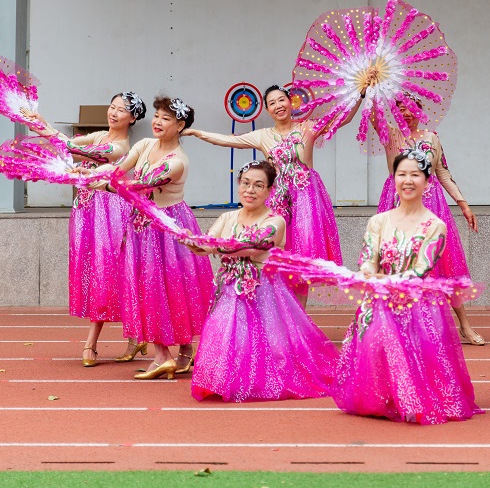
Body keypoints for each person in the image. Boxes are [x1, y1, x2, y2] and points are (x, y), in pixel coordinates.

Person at [333, 149, 482, 424]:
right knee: (375, 343)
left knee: (418, 351)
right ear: (394, 179)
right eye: (402, 174)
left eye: (415, 175)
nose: (408, 180)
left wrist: (388, 281)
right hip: (379, 298)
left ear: (427, 182)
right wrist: (368, 273)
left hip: (417, 302)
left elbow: (421, 268)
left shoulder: (435, 225)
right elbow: (368, 257)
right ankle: (383, 399)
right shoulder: (378, 221)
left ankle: (414, 399)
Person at [185, 84, 361, 307]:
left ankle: (299, 318)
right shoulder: (262, 136)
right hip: (278, 202)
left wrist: (360, 94)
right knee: (274, 256)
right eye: (272, 103)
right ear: (267, 110)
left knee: (300, 261)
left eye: (281, 100)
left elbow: (342, 118)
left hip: (306, 201)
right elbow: (228, 140)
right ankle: (278, 312)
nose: (278, 106)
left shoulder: (307, 127)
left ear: (291, 102)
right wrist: (196, 133)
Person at [188, 160, 337, 402]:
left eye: (258, 185)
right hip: (229, 288)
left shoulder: (275, 221)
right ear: (238, 185)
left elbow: (253, 247)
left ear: (269, 191)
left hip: (262, 291)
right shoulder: (227, 217)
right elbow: (207, 241)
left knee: (263, 342)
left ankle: (256, 383)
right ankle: (224, 381)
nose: (250, 190)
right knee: (224, 334)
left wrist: (212, 247)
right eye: (246, 183)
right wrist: (193, 242)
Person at [91, 96, 214, 380]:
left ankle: (164, 356)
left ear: (180, 125)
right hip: (143, 227)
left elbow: (138, 186)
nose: (157, 122)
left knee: (166, 287)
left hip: (168, 227)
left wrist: (106, 186)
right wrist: (91, 172)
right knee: (157, 287)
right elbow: (118, 169)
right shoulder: (144, 145)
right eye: (157, 116)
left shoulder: (177, 162)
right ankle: (182, 354)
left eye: (166, 118)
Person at [24, 92, 146, 367]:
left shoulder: (120, 148)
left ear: (133, 118)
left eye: (121, 110)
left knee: (107, 273)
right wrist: (39, 124)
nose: (113, 112)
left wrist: (48, 129)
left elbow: (74, 148)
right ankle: (136, 336)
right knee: (98, 273)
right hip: (87, 212)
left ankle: (91, 343)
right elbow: (67, 144)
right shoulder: (101, 135)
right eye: (112, 107)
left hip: (109, 214)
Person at [377, 96, 484, 345]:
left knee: (443, 263)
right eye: (400, 108)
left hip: (432, 205)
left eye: (410, 107)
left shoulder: (431, 137)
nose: (405, 112)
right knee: (398, 262)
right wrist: (370, 90)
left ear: (420, 111)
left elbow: (442, 172)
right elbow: (373, 116)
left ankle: (465, 326)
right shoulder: (390, 135)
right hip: (398, 205)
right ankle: (399, 326)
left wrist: (463, 204)